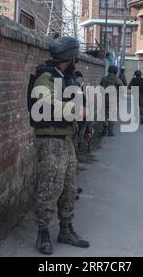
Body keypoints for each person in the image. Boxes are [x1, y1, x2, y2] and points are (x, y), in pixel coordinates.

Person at [29, 36, 89, 255]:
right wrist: (77, 111)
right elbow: (45, 104)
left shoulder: (66, 76)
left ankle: (66, 229)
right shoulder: (46, 76)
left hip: (66, 139)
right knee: (49, 187)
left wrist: (84, 122)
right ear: (69, 56)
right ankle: (42, 233)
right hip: (51, 141)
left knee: (69, 188)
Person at [100, 66, 123, 137]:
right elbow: (122, 87)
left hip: (104, 99)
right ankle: (110, 131)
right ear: (116, 71)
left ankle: (105, 127)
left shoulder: (103, 79)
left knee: (104, 115)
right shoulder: (117, 79)